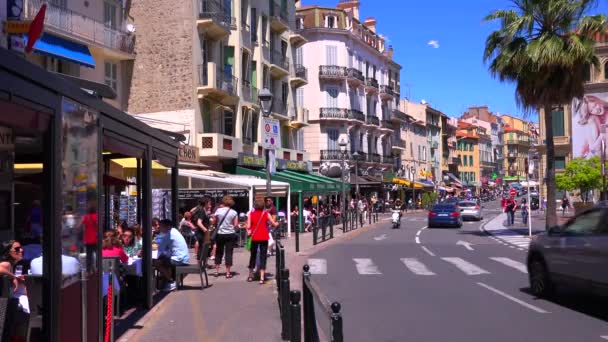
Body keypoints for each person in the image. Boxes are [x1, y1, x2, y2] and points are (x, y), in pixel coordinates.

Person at [247, 199, 279, 284]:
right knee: (263, 257)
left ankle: (250, 275)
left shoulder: (251, 214)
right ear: (263, 206)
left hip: (254, 237)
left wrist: (248, 230)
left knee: (253, 256)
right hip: (264, 237)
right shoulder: (266, 214)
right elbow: (273, 223)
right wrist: (277, 224)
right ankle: (261, 277)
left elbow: (249, 226)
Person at [153, 219, 190, 291]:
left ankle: (171, 281)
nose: (159, 228)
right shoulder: (174, 231)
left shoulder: (168, 235)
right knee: (164, 260)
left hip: (180, 259)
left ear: (166, 227)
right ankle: (168, 280)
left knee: (157, 263)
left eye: (160, 226)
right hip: (183, 257)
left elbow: (160, 249)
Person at [212, 196, 239, 278]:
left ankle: (216, 271)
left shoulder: (218, 211)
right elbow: (235, 225)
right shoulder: (234, 212)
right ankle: (228, 272)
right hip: (230, 234)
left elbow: (214, 222)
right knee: (229, 253)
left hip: (220, 234)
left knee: (219, 252)